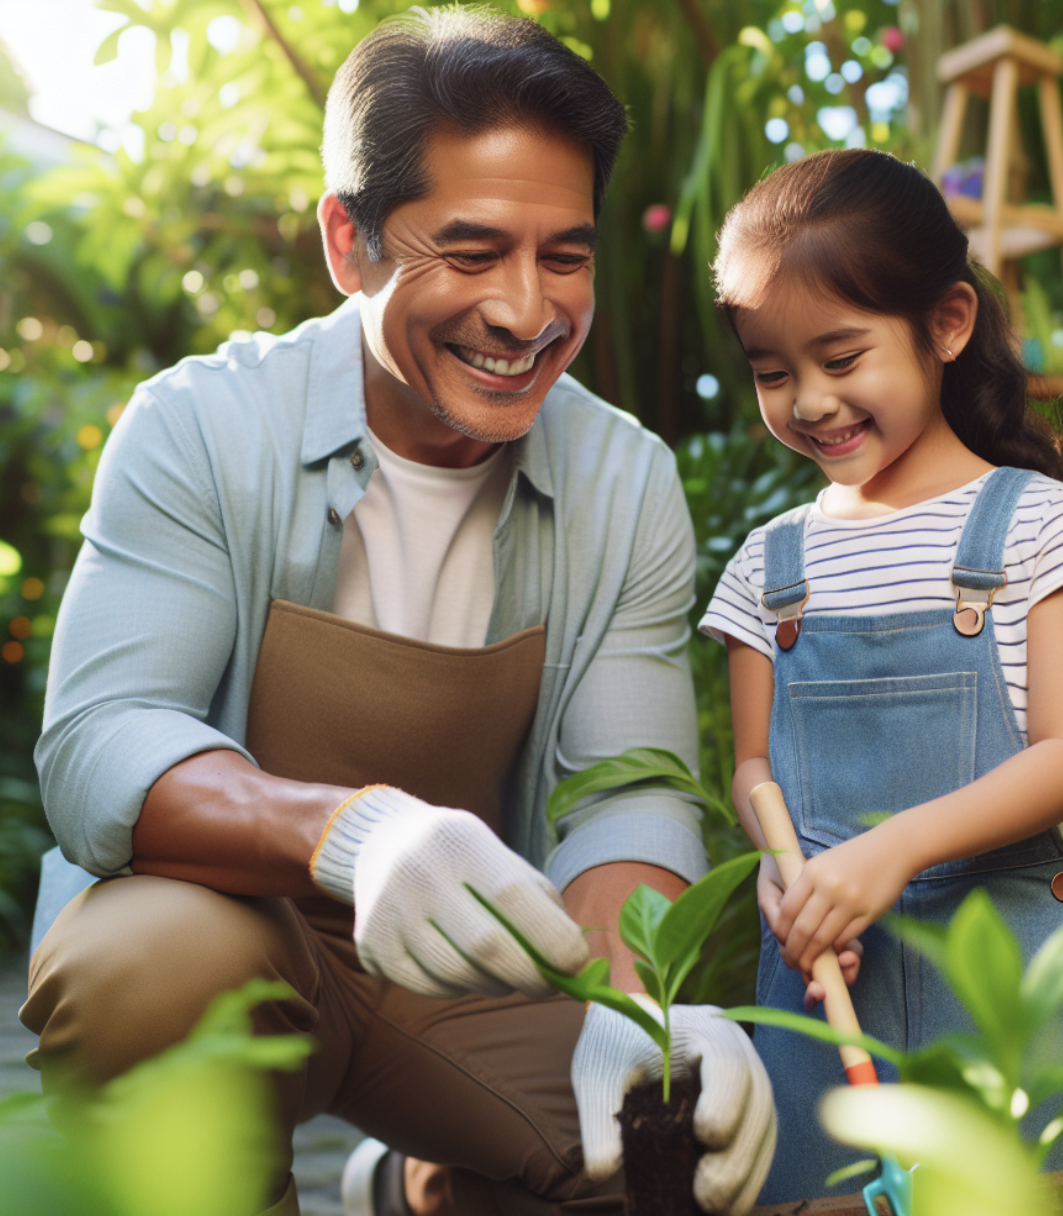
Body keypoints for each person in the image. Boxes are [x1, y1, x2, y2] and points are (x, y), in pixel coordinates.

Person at [22, 9, 774, 1216]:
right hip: (220, 937)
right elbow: (102, 743)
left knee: (670, 1143)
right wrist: (354, 835)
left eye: (565, 256)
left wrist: (642, 1018)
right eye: (471, 253)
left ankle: (423, 1185)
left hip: (470, 973)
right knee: (144, 970)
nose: (528, 313)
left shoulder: (624, 481)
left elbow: (627, 790)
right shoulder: (201, 429)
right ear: (348, 241)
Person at [696, 148, 1063, 1205]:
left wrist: (889, 852)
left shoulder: (1033, 521)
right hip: (822, 980)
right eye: (772, 370)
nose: (809, 401)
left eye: (842, 357)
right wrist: (783, 871)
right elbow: (755, 762)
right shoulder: (770, 563)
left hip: (999, 980)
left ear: (946, 324)